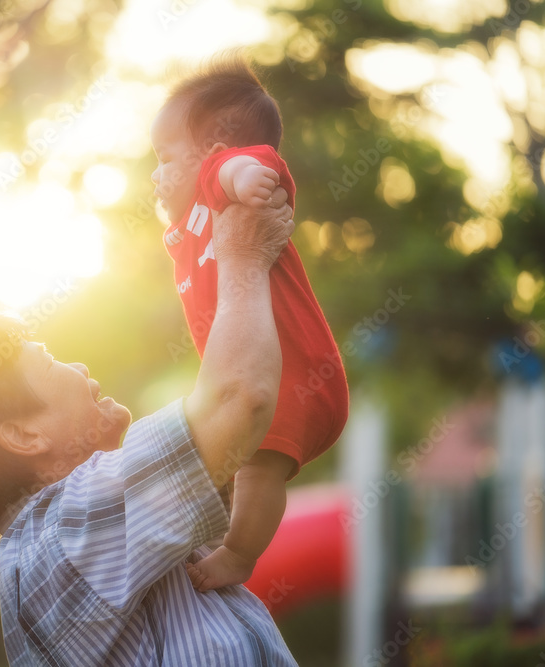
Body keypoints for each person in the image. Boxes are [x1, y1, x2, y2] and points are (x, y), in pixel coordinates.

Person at [0, 192, 299, 664]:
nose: (78, 366)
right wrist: (244, 253)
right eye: (52, 363)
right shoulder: (69, 528)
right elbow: (239, 398)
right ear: (24, 436)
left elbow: (240, 431)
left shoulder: (63, 543)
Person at [150, 53, 350, 591]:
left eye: (167, 158)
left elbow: (248, 164)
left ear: (212, 152)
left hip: (292, 372)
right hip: (259, 376)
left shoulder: (225, 180)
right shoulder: (189, 223)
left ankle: (240, 555)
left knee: (257, 466)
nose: (158, 173)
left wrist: (243, 177)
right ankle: (225, 532)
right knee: (239, 465)